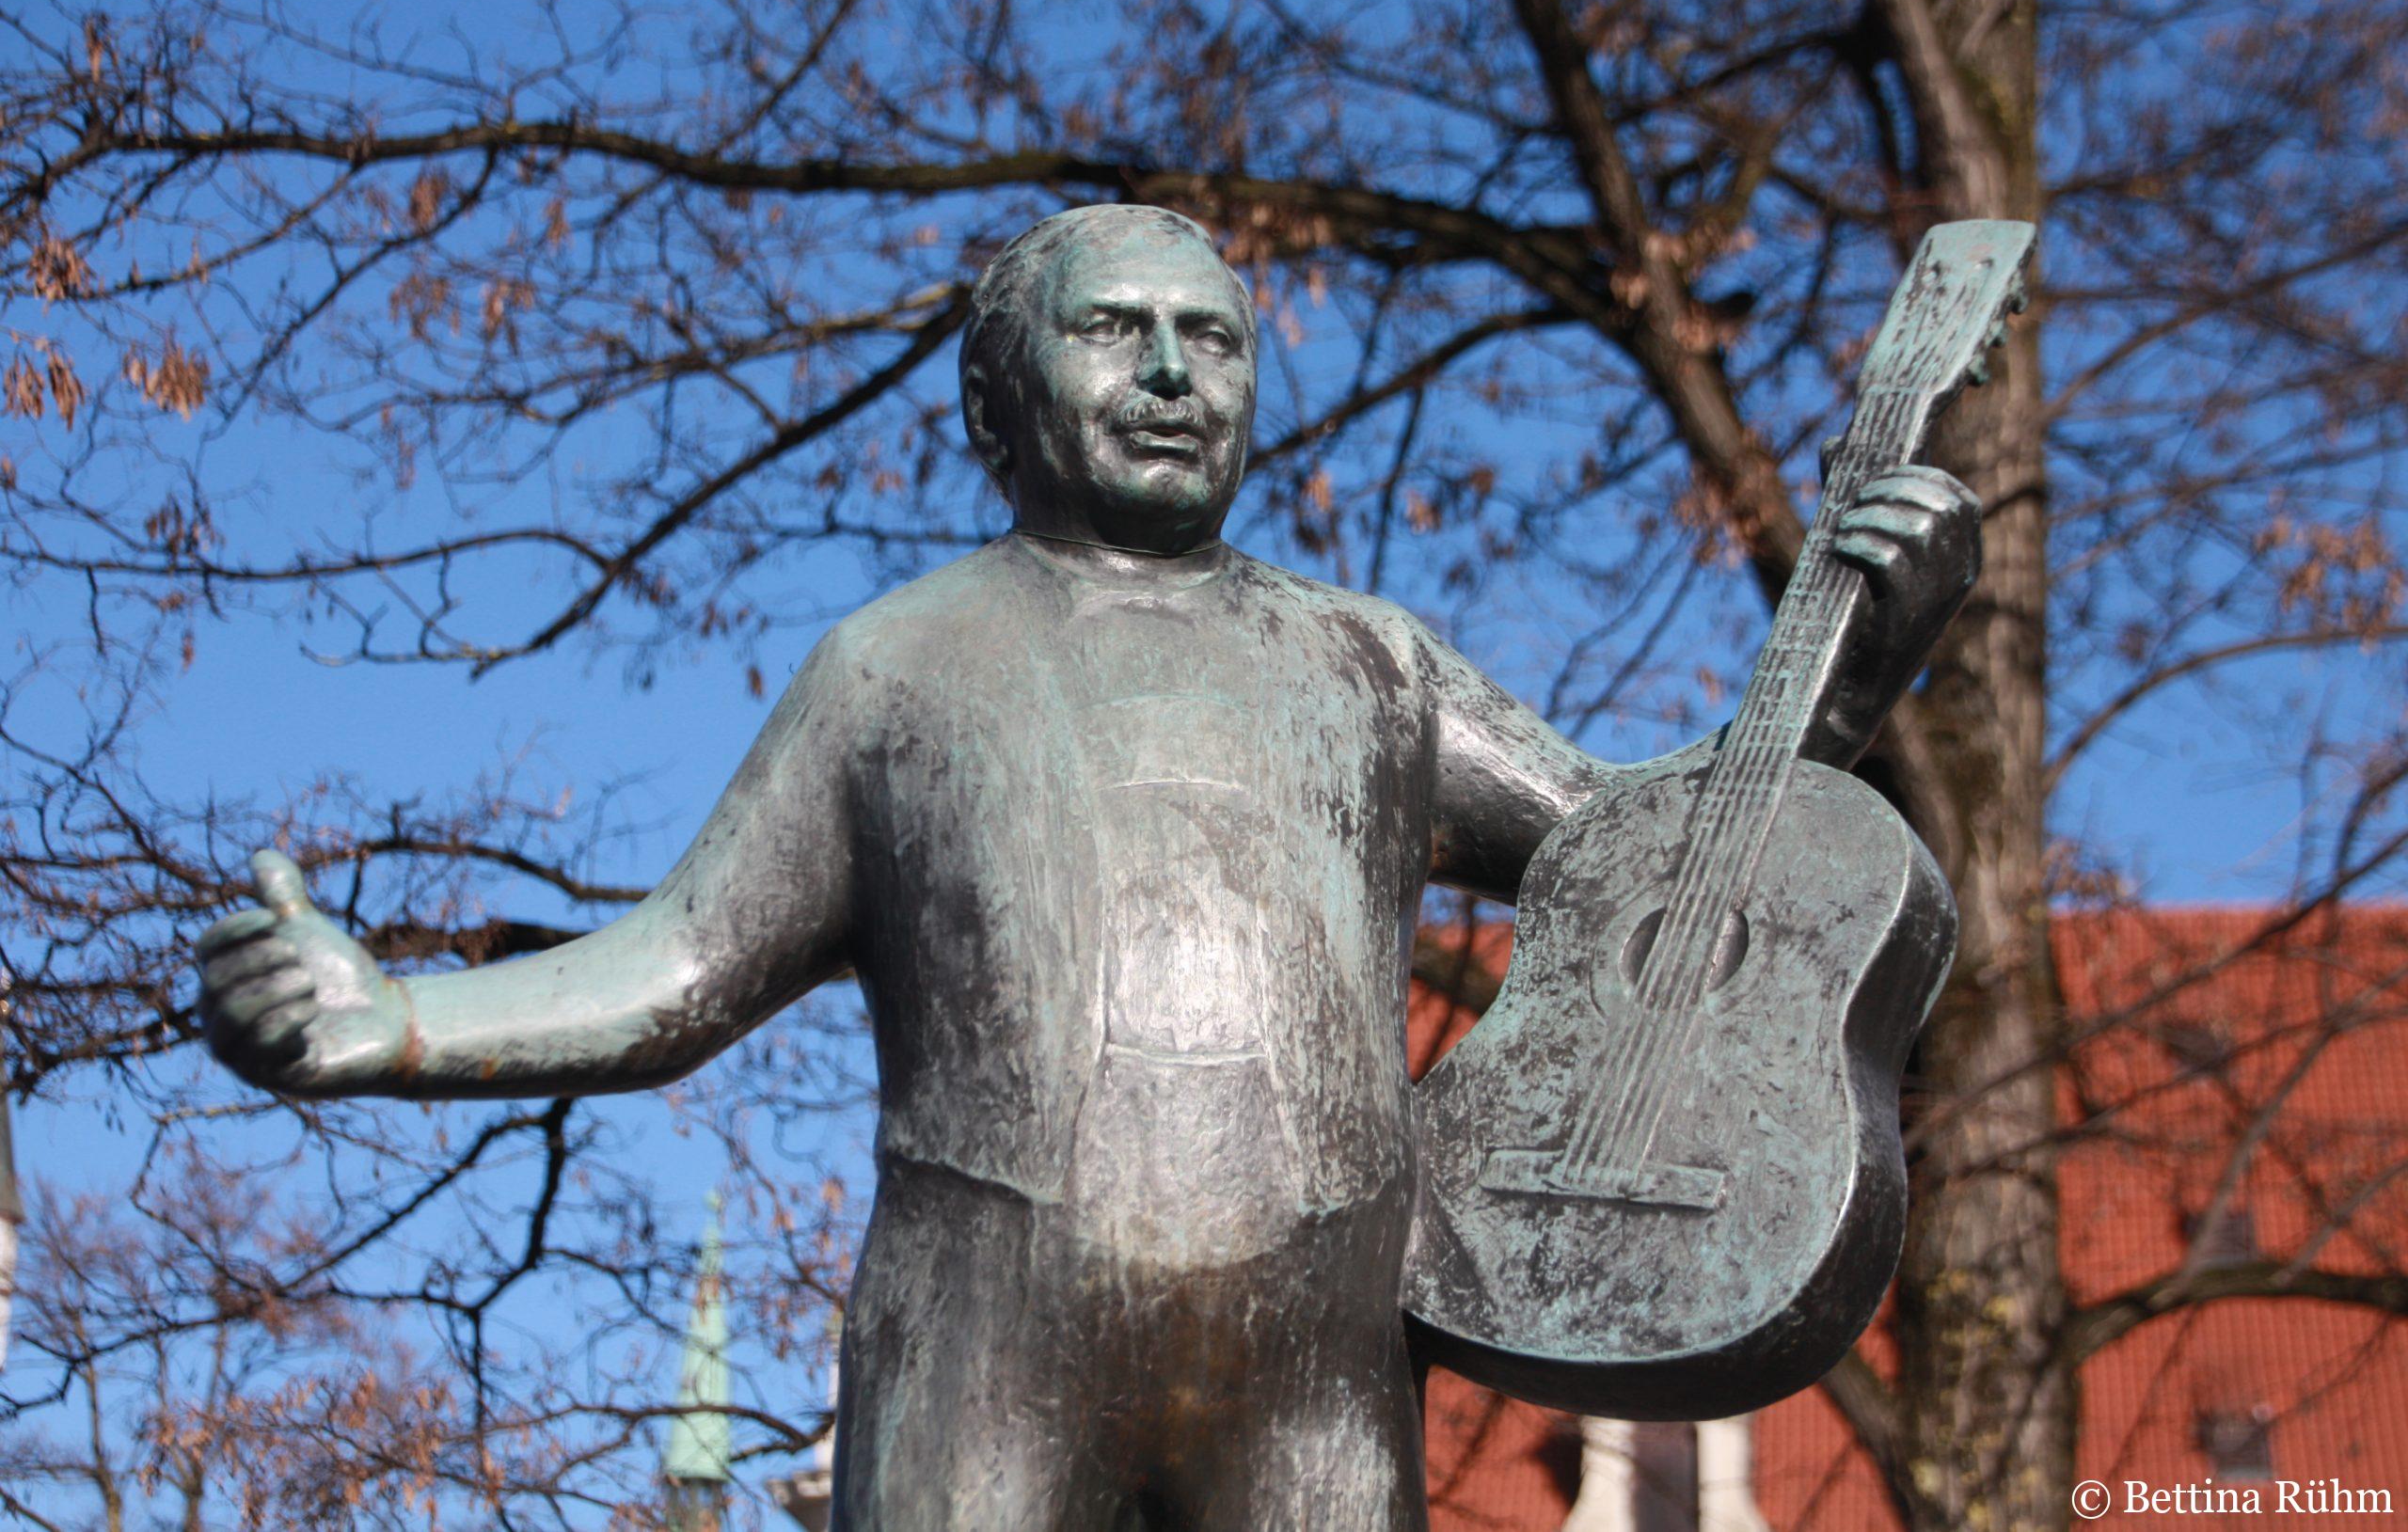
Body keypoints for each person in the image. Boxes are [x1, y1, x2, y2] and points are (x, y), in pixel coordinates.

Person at [197, 204, 1978, 1530]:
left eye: (1214, 340)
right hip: (986, 1334)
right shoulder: (897, 668)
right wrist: (406, 1019)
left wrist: (1855, 662)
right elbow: (683, 965)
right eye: (1115, 332)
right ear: (1002, 395)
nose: (1175, 376)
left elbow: (1654, 865)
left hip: (1321, 1350)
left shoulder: (1367, 660)